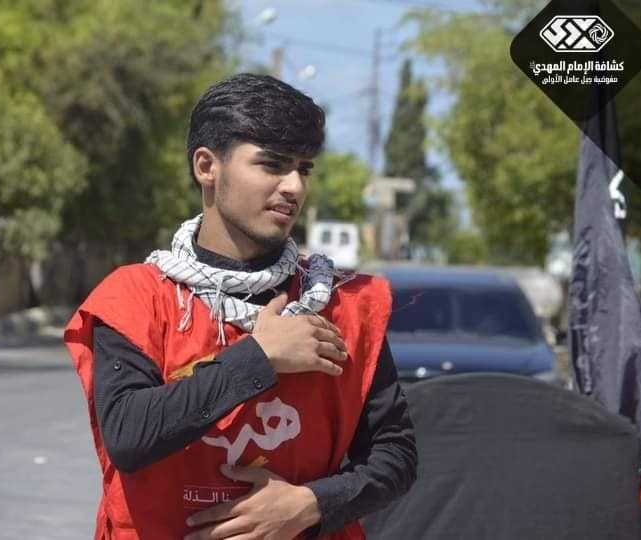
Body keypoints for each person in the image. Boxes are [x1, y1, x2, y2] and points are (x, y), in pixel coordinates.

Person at [64, 73, 417, 540]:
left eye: (304, 169)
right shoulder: (135, 298)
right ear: (207, 167)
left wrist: (310, 505)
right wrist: (259, 357)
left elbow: (395, 456)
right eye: (272, 164)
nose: (293, 186)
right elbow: (128, 436)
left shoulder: (346, 305)